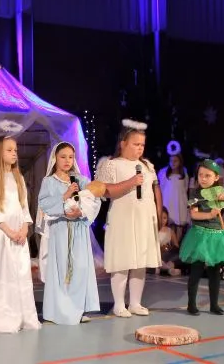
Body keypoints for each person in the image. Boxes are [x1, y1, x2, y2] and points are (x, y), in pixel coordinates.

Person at [95, 119, 162, 318]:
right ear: (123, 143)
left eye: (142, 145)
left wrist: (158, 213)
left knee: (140, 261)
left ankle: (135, 303)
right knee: (122, 261)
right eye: (136, 144)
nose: (140, 148)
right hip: (122, 218)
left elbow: (155, 190)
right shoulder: (111, 164)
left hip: (144, 218)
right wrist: (131, 181)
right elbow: (105, 191)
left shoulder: (147, 165)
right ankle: (119, 304)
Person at [0, 135, 41, 333]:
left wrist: (24, 228)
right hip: (0, 234)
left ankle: (22, 315)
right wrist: (10, 232)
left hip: (18, 235)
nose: (14, 154)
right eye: (9, 150)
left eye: (16, 150)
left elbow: (24, 207)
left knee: (19, 273)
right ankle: (1, 316)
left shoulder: (18, 178)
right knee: (0, 273)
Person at [37, 142, 100, 325]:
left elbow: (95, 200)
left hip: (79, 230)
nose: (67, 161)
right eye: (63, 157)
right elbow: (44, 204)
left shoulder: (81, 180)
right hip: (61, 231)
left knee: (80, 268)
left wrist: (82, 211)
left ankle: (78, 309)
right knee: (62, 270)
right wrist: (64, 197)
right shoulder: (49, 182)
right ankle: (59, 311)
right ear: (55, 158)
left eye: (70, 157)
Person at [179, 159, 224, 316]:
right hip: (200, 235)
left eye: (207, 175)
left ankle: (214, 305)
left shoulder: (220, 192)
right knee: (196, 270)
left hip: (216, 235)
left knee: (215, 272)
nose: (203, 178)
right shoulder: (195, 193)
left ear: (216, 177)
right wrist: (209, 214)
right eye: (200, 175)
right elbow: (194, 214)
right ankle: (191, 304)